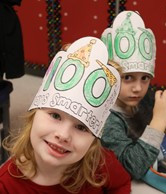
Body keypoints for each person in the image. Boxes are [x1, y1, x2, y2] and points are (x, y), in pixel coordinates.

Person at [0, 37, 131, 193]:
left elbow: (122, 185)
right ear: (34, 114)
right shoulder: (6, 185)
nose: (63, 135)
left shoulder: (100, 163)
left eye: (81, 127)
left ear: (94, 139)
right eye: (55, 116)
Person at [100, 10, 166, 180]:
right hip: (141, 176)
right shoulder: (107, 120)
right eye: (128, 77)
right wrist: (158, 121)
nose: (138, 88)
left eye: (145, 78)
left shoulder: (143, 98)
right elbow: (132, 168)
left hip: (158, 156)